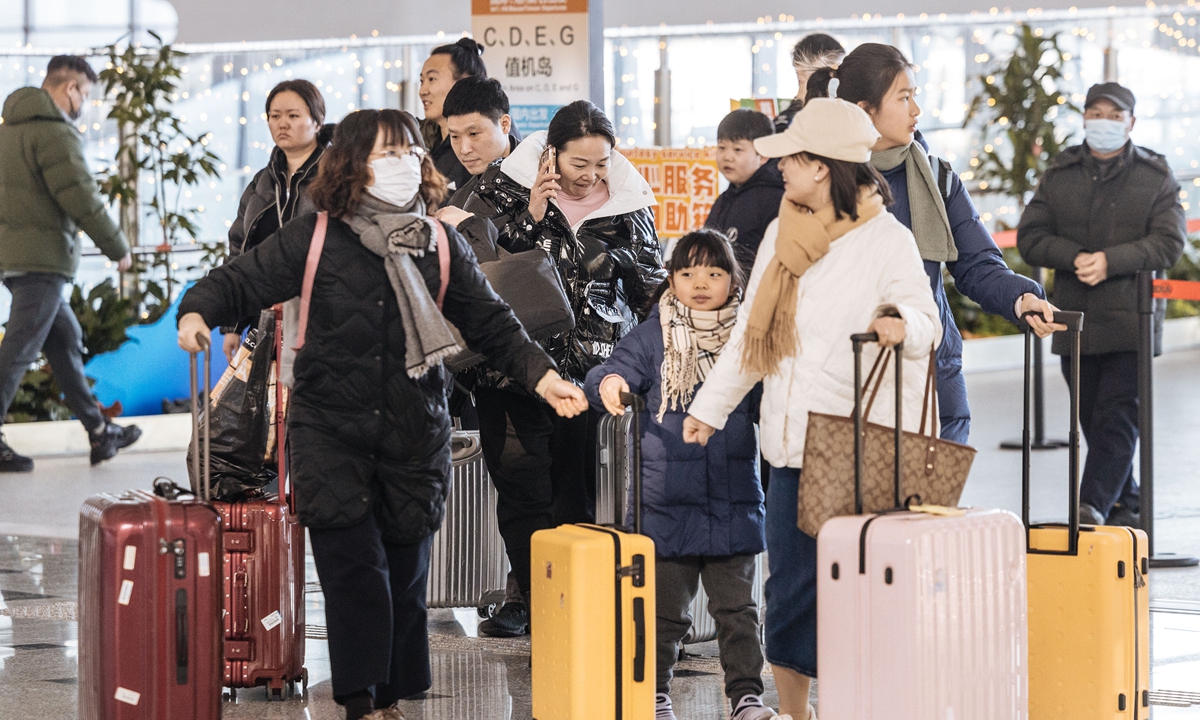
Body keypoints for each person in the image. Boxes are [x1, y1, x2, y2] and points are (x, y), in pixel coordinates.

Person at [175, 108, 588, 720]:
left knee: (404, 574)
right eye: (385, 155)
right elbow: (239, 279)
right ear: (351, 166)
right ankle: (361, 702)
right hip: (328, 431)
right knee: (354, 572)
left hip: (413, 432)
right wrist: (195, 313)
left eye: (409, 154)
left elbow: (494, 324)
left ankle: (390, 696)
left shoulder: (440, 244)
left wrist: (545, 377)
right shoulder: (315, 237)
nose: (403, 166)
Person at [681, 98, 943, 720]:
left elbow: (927, 320)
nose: (783, 174)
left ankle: (858, 706)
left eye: (791, 161)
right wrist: (709, 408)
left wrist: (898, 322)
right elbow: (753, 334)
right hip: (790, 444)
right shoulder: (782, 231)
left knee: (859, 590)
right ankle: (798, 715)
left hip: (858, 447)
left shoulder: (888, 240)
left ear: (820, 167)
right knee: (792, 591)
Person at [458, 100, 666, 637]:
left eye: (601, 163)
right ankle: (530, 598)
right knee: (523, 491)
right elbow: (472, 272)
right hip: (511, 373)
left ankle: (569, 597)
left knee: (575, 491)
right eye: (580, 164)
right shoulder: (497, 189)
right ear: (551, 154)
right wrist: (527, 218)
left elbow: (649, 290)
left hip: (587, 376)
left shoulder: (628, 201)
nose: (592, 176)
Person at [806, 44, 1061, 444]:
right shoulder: (817, 182)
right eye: (903, 98)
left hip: (933, 368)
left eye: (915, 97)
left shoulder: (937, 178)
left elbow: (977, 264)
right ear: (863, 109)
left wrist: (1020, 298)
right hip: (849, 371)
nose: (916, 111)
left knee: (935, 501)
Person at [584, 230, 770, 720]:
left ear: (734, 280)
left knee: (738, 613)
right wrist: (611, 383)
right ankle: (653, 692)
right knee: (662, 615)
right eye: (687, 273)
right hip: (664, 502)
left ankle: (746, 698)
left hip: (732, 500)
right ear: (671, 279)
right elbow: (609, 370)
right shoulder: (653, 335)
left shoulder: (750, 337)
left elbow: (774, 400)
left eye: (715, 272)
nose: (701, 283)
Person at [1017, 82, 1185, 527]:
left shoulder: (1155, 176)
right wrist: (1072, 257)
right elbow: (1030, 237)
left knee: (1116, 416)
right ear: (1084, 117)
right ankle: (1125, 500)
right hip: (1075, 322)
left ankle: (1089, 506)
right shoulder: (1061, 172)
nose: (1104, 122)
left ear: (1131, 122)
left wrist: (1112, 261)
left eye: (1115, 115)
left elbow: (1170, 243)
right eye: (1096, 113)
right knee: (1093, 417)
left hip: (1131, 318)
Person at [0, 55, 140, 471]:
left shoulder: (8, 131)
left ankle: (100, 432)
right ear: (70, 88)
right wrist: (118, 247)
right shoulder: (54, 133)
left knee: (63, 339)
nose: (84, 104)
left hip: (16, 258)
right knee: (19, 351)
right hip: (42, 260)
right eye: (86, 94)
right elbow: (81, 196)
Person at [221, 79, 333, 362]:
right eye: (274, 116)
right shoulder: (262, 182)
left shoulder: (336, 178)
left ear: (317, 122)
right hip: (267, 321)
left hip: (322, 319)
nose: (282, 124)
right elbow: (239, 250)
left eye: (293, 116)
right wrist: (233, 324)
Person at [431, 75, 522, 254]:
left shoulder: (542, 178)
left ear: (504, 124)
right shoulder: (459, 200)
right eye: (455, 137)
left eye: (474, 134)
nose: (464, 149)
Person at [706, 109, 785, 279]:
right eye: (721, 147)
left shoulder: (775, 199)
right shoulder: (725, 198)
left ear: (763, 155)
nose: (727, 157)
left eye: (738, 149)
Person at [419, 38, 488, 193]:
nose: (422, 91)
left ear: (464, 82)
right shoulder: (424, 138)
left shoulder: (485, 144)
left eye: (432, 79)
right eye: (421, 81)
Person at [774, 33, 844, 132]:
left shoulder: (842, 115)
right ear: (800, 70)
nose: (835, 77)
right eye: (828, 69)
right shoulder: (787, 124)